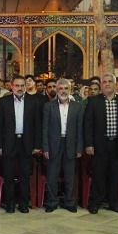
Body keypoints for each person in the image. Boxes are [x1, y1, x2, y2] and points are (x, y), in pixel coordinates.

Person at [84, 73, 118, 214]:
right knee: (98, 175)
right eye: (104, 82)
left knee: (115, 176)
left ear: (114, 84)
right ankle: (95, 203)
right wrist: (89, 144)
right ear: (101, 85)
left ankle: (114, 203)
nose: (107, 84)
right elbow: (88, 125)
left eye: (110, 81)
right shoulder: (94, 101)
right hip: (99, 145)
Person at [0, 75, 42, 213]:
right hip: (9, 143)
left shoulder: (34, 101)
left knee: (25, 175)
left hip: (26, 143)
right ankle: (10, 204)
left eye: (22, 85)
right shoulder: (4, 102)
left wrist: (37, 145)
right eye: (17, 85)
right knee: (8, 175)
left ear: (25, 86)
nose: (20, 88)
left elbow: (37, 125)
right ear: (12, 86)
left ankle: (23, 204)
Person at [41, 78, 83, 213]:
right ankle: (52, 202)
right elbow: (44, 129)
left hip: (71, 144)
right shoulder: (48, 106)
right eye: (60, 88)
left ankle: (69, 202)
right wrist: (45, 147)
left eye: (66, 88)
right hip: (53, 145)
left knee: (70, 176)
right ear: (56, 90)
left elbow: (80, 129)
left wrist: (79, 148)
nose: (63, 91)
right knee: (52, 175)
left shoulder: (78, 106)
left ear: (70, 90)